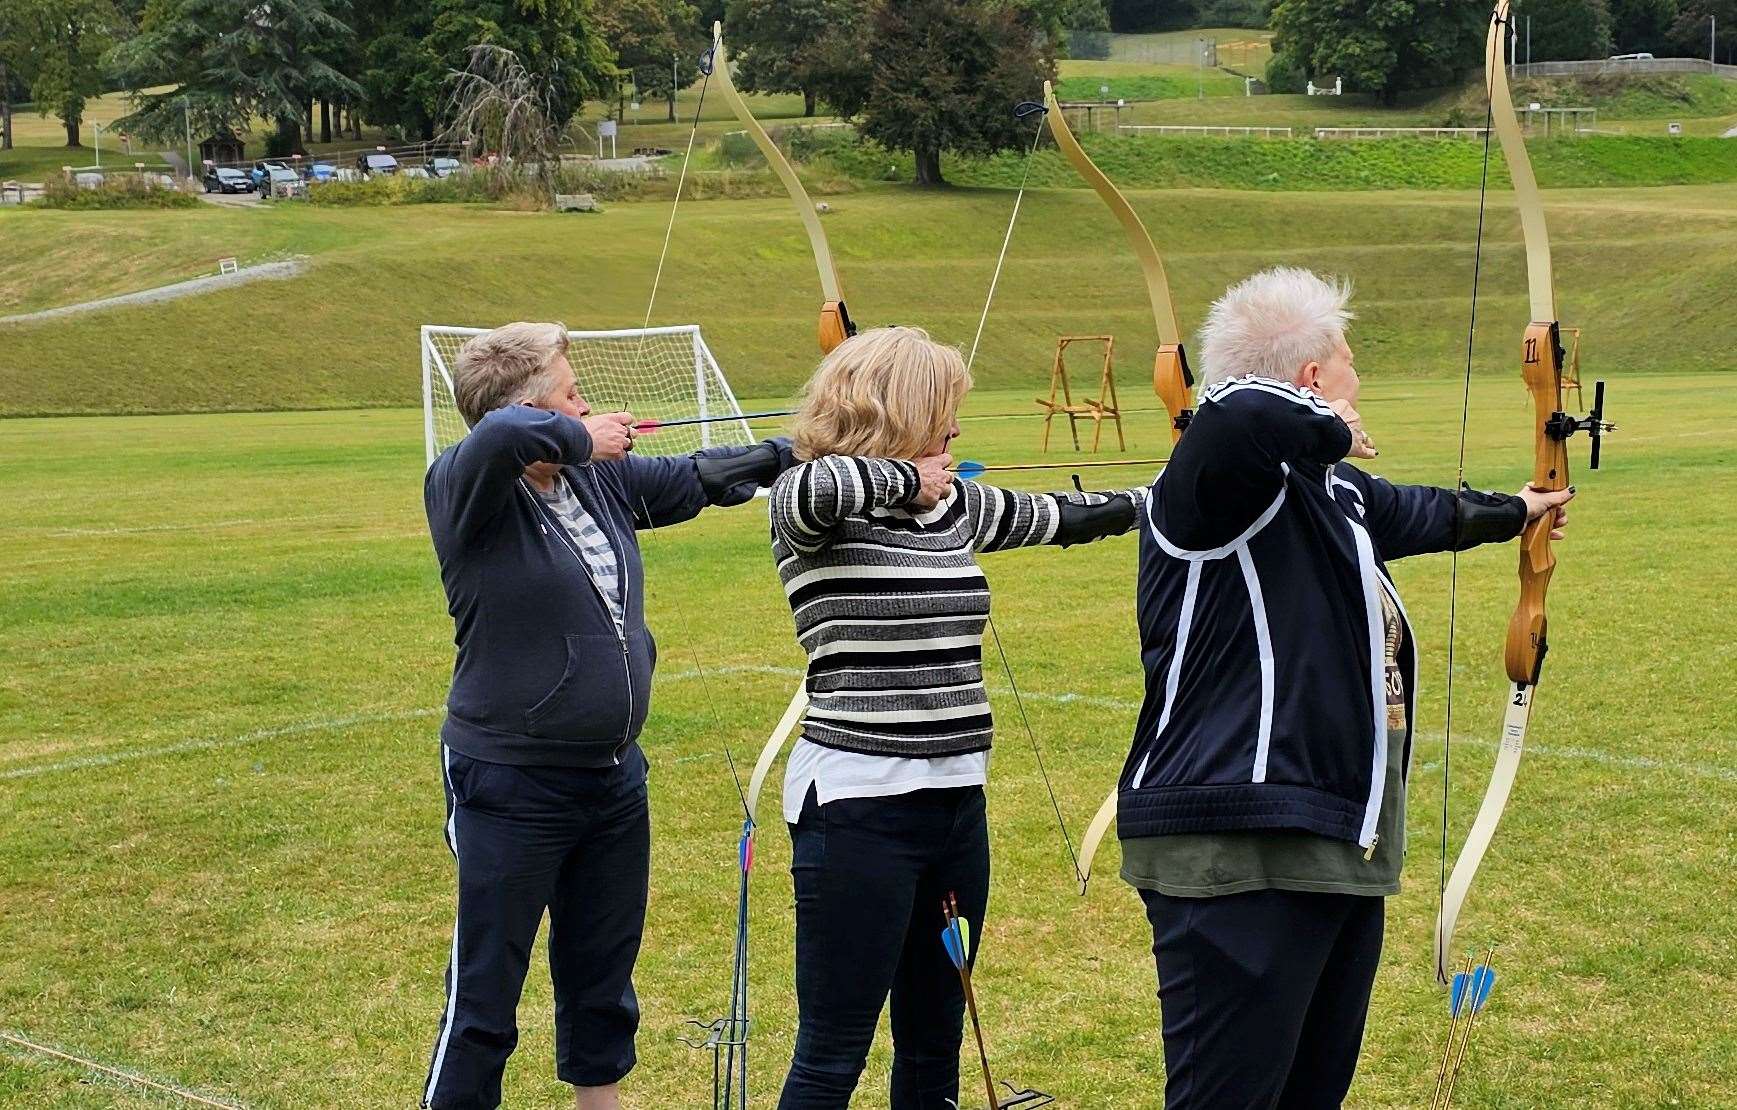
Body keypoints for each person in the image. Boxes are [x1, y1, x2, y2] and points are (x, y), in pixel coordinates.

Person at [1117, 268, 1574, 1108]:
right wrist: (1322, 421)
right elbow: (1237, 412)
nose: (1360, 383)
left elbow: (1424, 513)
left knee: (1308, 1093)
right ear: (1315, 379)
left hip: (1332, 841)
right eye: (1348, 367)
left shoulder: (1329, 492)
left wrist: (1522, 507)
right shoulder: (1208, 483)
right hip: (1237, 843)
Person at [765, 326, 1148, 1110]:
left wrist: (1177, 493)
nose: (957, 429)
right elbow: (818, 488)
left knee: (937, 1035)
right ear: (902, 411)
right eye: (944, 409)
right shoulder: (810, 503)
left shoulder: (955, 508)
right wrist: (908, 481)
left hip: (955, 808)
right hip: (856, 807)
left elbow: (1063, 515)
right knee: (833, 1050)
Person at [420, 321, 793, 1110]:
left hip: (612, 778)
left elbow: (698, 475)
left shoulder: (595, 482)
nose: (587, 404)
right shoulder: (469, 488)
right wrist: (581, 436)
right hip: (509, 778)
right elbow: (504, 435)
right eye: (570, 392)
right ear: (533, 409)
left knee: (600, 971)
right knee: (487, 990)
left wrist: (792, 451)